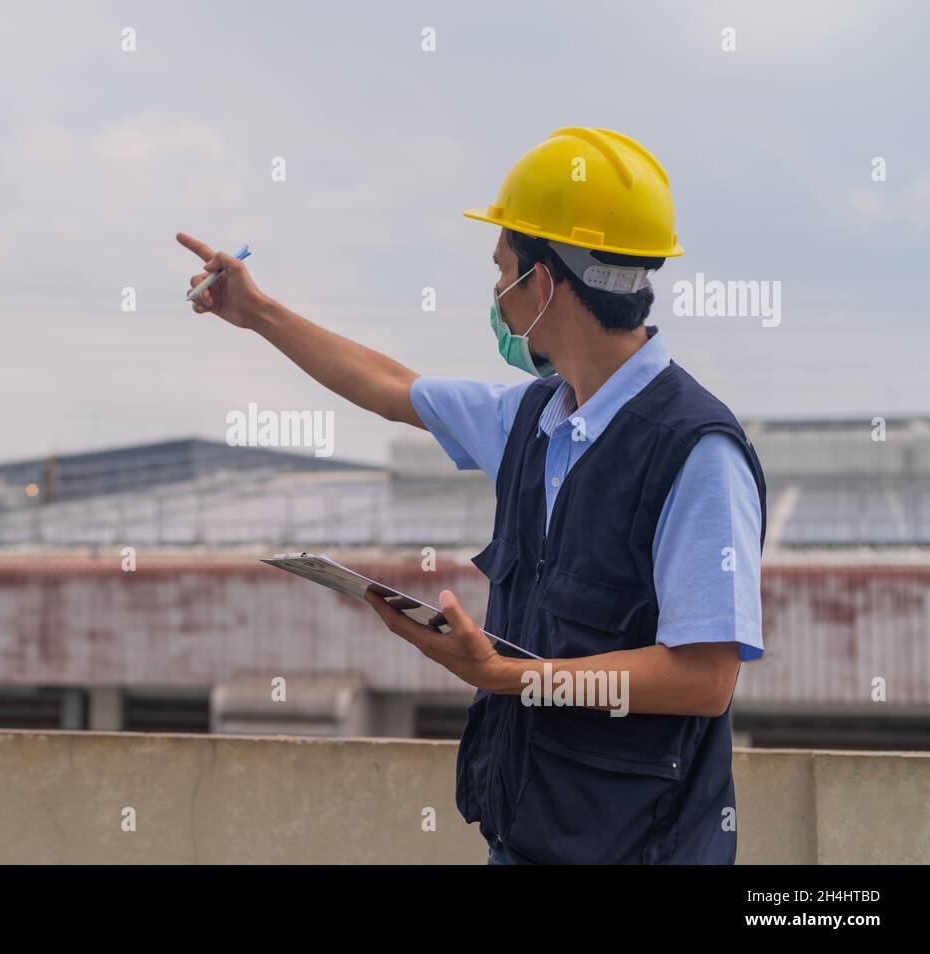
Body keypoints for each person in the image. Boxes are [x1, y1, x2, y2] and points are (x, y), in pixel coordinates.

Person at [177, 127, 766, 865]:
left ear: (544, 285)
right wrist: (257, 313)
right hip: (523, 838)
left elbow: (706, 679)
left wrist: (503, 676)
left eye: (503, 270)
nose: (496, 295)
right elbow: (389, 387)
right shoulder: (532, 419)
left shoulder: (695, 451)